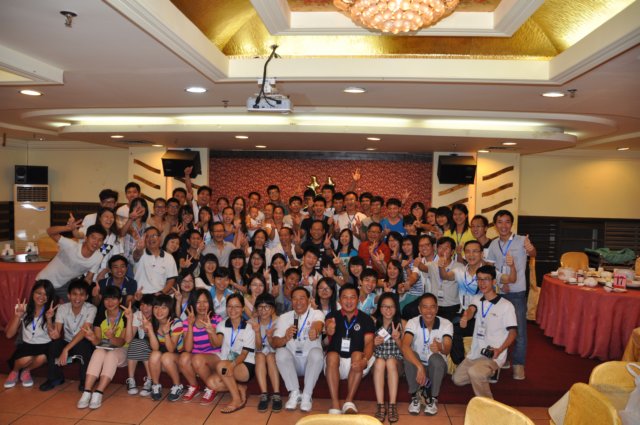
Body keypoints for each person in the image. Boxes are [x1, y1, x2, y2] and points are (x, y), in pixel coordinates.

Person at [452, 265, 517, 398]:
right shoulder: (477, 299)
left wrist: (499, 350)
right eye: (479, 279)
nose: (482, 283)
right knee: (457, 380)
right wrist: (465, 317)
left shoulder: (506, 306)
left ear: (494, 282)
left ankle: (488, 404)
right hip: (475, 353)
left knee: (475, 373)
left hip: (494, 354)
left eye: (486, 279)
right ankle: (485, 372)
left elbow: (513, 333)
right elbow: (471, 310)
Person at [485, 209, 536, 380]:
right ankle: (503, 358)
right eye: (500, 222)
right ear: (495, 225)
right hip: (500, 292)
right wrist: (501, 283)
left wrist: (531, 249)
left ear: (511, 224)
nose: (504, 225)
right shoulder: (493, 244)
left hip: (517, 292)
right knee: (500, 329)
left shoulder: (521, 240)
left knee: (519, 330)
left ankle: (519, 364)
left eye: (507, 221)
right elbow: (491, 268)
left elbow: (533, 254)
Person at [324, 283, 375, 415]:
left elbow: (369, 344)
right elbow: (328, 328)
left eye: (352, 297)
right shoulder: (332, 316)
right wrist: (329, 329)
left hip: (357, 364)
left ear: (358, 299)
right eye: (345, 297)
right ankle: (335, 404)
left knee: (357, 354)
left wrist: (365, 360)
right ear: (339, 300)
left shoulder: (366, 319)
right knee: (332, 355)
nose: (349, 301)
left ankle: (349, 402)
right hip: (335, 364)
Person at [273, 287, 325, 412]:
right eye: (295, 299)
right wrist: (285, 338)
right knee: (280, 353)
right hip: (293, 363)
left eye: (302, 298)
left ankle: (307, 395)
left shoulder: (316, 313)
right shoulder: (284, 317)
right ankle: (294, 393)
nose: (298, 302)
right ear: (291, 301)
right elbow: (275, 342)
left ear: (309, 300)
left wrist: (315, 331)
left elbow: (318, 324)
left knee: (317, 353)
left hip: (310, 362)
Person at [77, 286, 129, 409]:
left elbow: (122, 342)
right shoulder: (100, 316)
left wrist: (111, 337)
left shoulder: (126, 316)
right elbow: (98, 342)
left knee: (111, 355)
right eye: (106, 299)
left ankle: (98, 392)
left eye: (113, 299)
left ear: (120, 300)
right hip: (104, 348)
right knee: (98, 352)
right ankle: (87, 391)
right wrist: (92, 338)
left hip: (123, 351)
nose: (110, 302)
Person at [40, 278, 97, 392]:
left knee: (84, 345)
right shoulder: (62, 308)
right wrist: (49, 319)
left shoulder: (91, 309)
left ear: (86, 297)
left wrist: (66, 349)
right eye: (74, 294)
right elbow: (56, 335)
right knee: (53, 345)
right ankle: (55, 378)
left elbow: (83, 331)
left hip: (83, 341)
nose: (77, 298)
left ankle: (85, 380)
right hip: (67, 341)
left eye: (81, 295)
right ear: (69, 296)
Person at [401, 293, 453, 416]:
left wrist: (440, 347)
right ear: (419, 309)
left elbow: (447, 348)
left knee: (436, 358)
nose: (429, 311)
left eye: (432, 307)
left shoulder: (446, 324)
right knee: (409, 355)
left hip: (436, 367)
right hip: (417, 367)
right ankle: (415, 396)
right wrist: (419, 367)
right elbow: (405, 346)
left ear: (437, 308)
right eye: (425, 307)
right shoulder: (413, 322)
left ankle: (433, 399)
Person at [205, 293, 256, 414]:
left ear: (243, 308)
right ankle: (240, 387)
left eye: (237, 306)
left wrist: (232, 365)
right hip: (226, 362)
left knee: (221, 366)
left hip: (245, 365)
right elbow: (217, 343)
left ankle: (236, 400)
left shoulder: (249, 328)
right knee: (211, 383)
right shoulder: (222, 324)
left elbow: (244, 354)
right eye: (229, 306)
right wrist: (211, 332)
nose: (233, 310)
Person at [4, 280, 56, 389]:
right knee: (26, 358)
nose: (42, 297)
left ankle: (26, 371)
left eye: (46, 294)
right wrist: (18, 316)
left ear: (49, 297)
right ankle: (14, 372)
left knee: (42, 357)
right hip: (27, 345)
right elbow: (9, 335)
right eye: (39, 293)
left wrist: (49, 319)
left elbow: (53, 336)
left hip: (45, 345)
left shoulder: (52, 311)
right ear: (33, 293)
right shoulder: (23, 308)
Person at [36, 221, 106, 301]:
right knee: (42, 307)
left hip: (64, 285)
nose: (96, 242)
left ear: (102, 243)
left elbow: (88, 279)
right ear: (86, 238)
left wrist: (82, 293)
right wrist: (67, 228)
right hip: (45, 282)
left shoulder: (98, 257)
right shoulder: (70, 245)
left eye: (100, 240)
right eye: (93, 238)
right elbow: (50, 231)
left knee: (76, 303)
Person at [179, 288, 224, 404]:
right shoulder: (187, 321)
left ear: (210, 303)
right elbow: (188, 349)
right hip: (196, 356)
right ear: (193, 304)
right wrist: (190, 325)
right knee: (184, 357)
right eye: (198, 302)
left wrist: (210, 329)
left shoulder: (217, 319)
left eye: (205, 302)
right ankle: (194, 386)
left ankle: (211, 387)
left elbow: (216, 345)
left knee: (197, 359)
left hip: (215, 356)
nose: (202, 306)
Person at [372, 293, 404, 423]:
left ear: (396, 308)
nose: (388, 310)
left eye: (391, 306)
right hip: (378, 363)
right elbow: (367, 348)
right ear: (379, 308)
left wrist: (398, 339)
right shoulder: (373, 322)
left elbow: (406, 351)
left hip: (396, 363)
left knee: (390, 361)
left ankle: (392, 405)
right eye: (385, 306)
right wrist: (374, 344)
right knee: (380, 361)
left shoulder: (402, 324)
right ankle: (380, 405)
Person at [147, 294, 185, 402]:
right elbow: (155, 348)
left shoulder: (176, 322)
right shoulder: (152, 322)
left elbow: (171, 349)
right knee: (154, 354)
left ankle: (178, 385)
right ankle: (156, 385)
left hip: (178, 359)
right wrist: (150, 329)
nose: (159, 311)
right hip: (163, 359)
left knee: (166, 357)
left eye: (164, 308)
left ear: (170, 309)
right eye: (156, 307)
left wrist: (166, 333)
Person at [251, 293, 282, 412]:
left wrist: (269, 338)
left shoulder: (279, 321)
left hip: (275, 353)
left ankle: (276, 394)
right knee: (260, 355)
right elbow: (258, 347)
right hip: (258, 353)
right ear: (256, 308)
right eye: (260, 307)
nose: (263, 310)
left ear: (273, 309)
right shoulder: (252, 322)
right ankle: (264, 394)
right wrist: (257, 332)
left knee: (270, 356)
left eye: (267, 307)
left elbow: (277, 345)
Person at [133, 226, 178, 295]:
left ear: (160, 238)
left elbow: (171, 280)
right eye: (147, 236)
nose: (151, 239)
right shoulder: (140, 252)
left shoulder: (169, 257)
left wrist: (162, 293)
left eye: (154, 236)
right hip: (141, 295)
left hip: (159, 295)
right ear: (144, 239)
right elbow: (136, 256)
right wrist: (139, 249)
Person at [124, 293, 154, 397]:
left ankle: (150, 380)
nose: (144, 308)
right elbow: (128, 339)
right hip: (143, 344)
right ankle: (131, 379)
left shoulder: (158, 314)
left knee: (143, 343)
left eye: (148, 305)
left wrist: (149, 331)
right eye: (142, 305)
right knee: (135, 343)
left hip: (158, 345)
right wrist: (129, 319)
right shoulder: (138, 315)